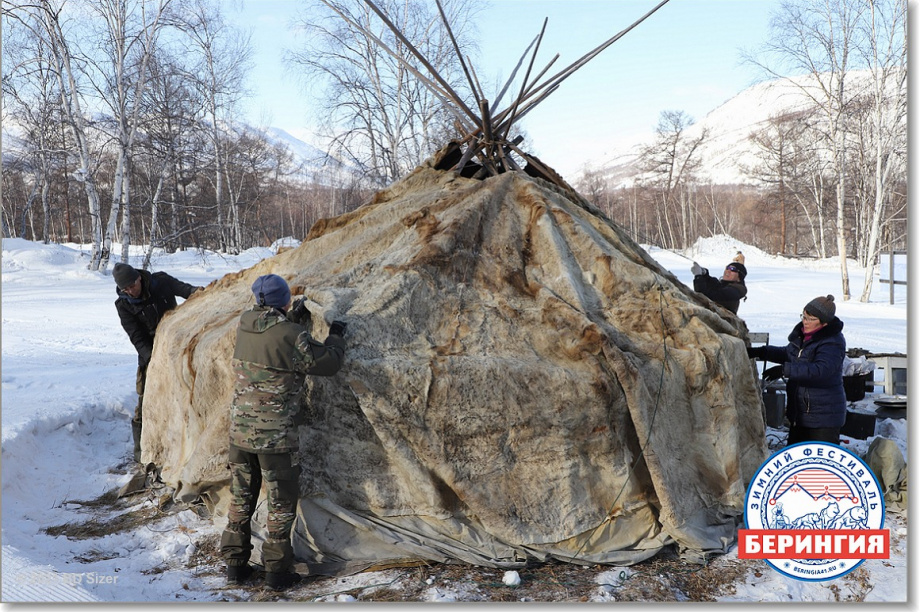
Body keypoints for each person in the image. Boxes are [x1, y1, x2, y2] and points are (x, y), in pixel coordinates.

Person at [221, 274, 347, 590]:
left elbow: (271, 338)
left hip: (240, 434)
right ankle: (277, 572)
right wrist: (336, 336)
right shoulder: (293, 334)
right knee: (280, 503)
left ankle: (234, 565)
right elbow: (329, 363)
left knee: (241, 498)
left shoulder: (244, 323)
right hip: (275, 437)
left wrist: (288, 319)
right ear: (285, 301)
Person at [113, 262, 203, 463]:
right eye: (125, 289)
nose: (130, 291)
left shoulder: (160, 281)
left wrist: (201, 293)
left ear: (138, 278)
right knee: (145, 402)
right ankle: (142, 455)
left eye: (132, 286)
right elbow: (137, 338)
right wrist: (155, 361)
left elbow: (187, 291)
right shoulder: (123, 305)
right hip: (151, 355)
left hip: (179, 345)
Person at [746, 295, 846, 447]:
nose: (805, 321)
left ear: (824, 323)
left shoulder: (832, 342)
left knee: (818, 460)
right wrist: (761, 352)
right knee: (796, 457)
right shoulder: (802, 337)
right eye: (804, 316)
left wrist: (785, 370)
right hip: (800, 415)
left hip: (823, 418)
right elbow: (788, 354)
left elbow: (821, 370)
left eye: (811, 319)